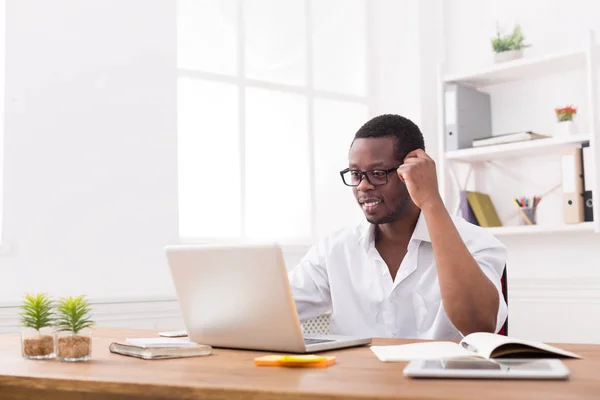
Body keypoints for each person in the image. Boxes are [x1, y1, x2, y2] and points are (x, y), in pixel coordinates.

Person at [288, 114, 507, 339]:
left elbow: (479, 325)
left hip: (440, 373)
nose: (363, 186)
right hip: (357, 373)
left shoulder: (478, 243)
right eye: (356, 174)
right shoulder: (334, 250)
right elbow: (274, 310)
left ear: (411, 172)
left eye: (377, 174)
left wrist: (430, 200)